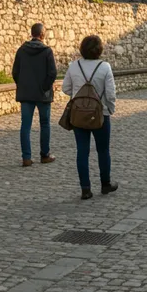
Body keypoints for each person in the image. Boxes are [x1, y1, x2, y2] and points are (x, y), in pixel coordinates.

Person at [62, 35, 118, 200]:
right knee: (103, 150)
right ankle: (105, 183)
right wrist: (110, 109)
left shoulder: (74, 66)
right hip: (101, 113)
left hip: (79, 114)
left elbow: (65, 88)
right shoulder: (105, 67)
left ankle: (85, 188)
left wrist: (79, 95)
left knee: (82, 151)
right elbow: (110, 93)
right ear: (99, 50)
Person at [12, 23, 57, 167]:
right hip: (42, 94)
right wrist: (44, 87)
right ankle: (45, 155)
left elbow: (15, 72)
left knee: (25, 125)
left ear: (32, 33)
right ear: (42, 35)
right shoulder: (47, 51)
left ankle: (26, 157)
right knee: (44, 124)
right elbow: (52, 73)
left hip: (26, 93)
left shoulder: (22, 50)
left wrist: (22, 84)